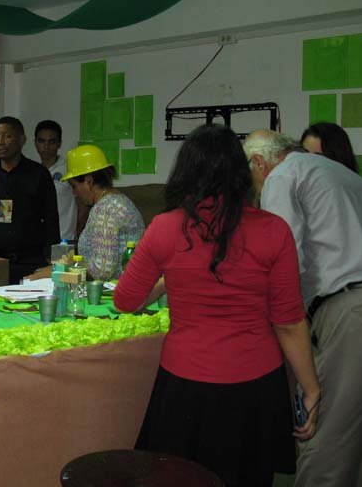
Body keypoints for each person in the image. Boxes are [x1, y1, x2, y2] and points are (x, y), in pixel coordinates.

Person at [115, 124, 320, 487]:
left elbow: (126, 300)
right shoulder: (274, 230)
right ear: (241, 173)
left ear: (185, 172)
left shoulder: (164, 227)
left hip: (184, 383)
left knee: (181, 479)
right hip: (256, 384)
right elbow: (288, 322)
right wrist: (311, 387)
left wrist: (171, 277)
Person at [244, 129, 362, 487]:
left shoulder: (282, 176)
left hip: (351, 316)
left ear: (259, 163)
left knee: (324, 449)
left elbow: (284, 259)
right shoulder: (348, 177)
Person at [0, 116, 60, 284]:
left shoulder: (38, 173)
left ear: (21, 140)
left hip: (30, 259)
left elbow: (51, 218)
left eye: (7, 136)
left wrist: (51, 257)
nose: (0, 142)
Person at [62, 145, 144, 280]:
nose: (74, 193)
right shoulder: (119, 200)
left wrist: (64, 268)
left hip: (116, 288)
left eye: (74, 186)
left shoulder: (105, 209)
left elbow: (102, 270)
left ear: (89, 181)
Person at [34, 120, 77, 241]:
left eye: (51, 142)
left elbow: (82, 205)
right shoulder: (33, 172)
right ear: (35, 143)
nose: (46, 146)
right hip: (39, 241)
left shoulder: (68, 169)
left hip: (64, 239)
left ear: (59, 144)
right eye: (41, 141)